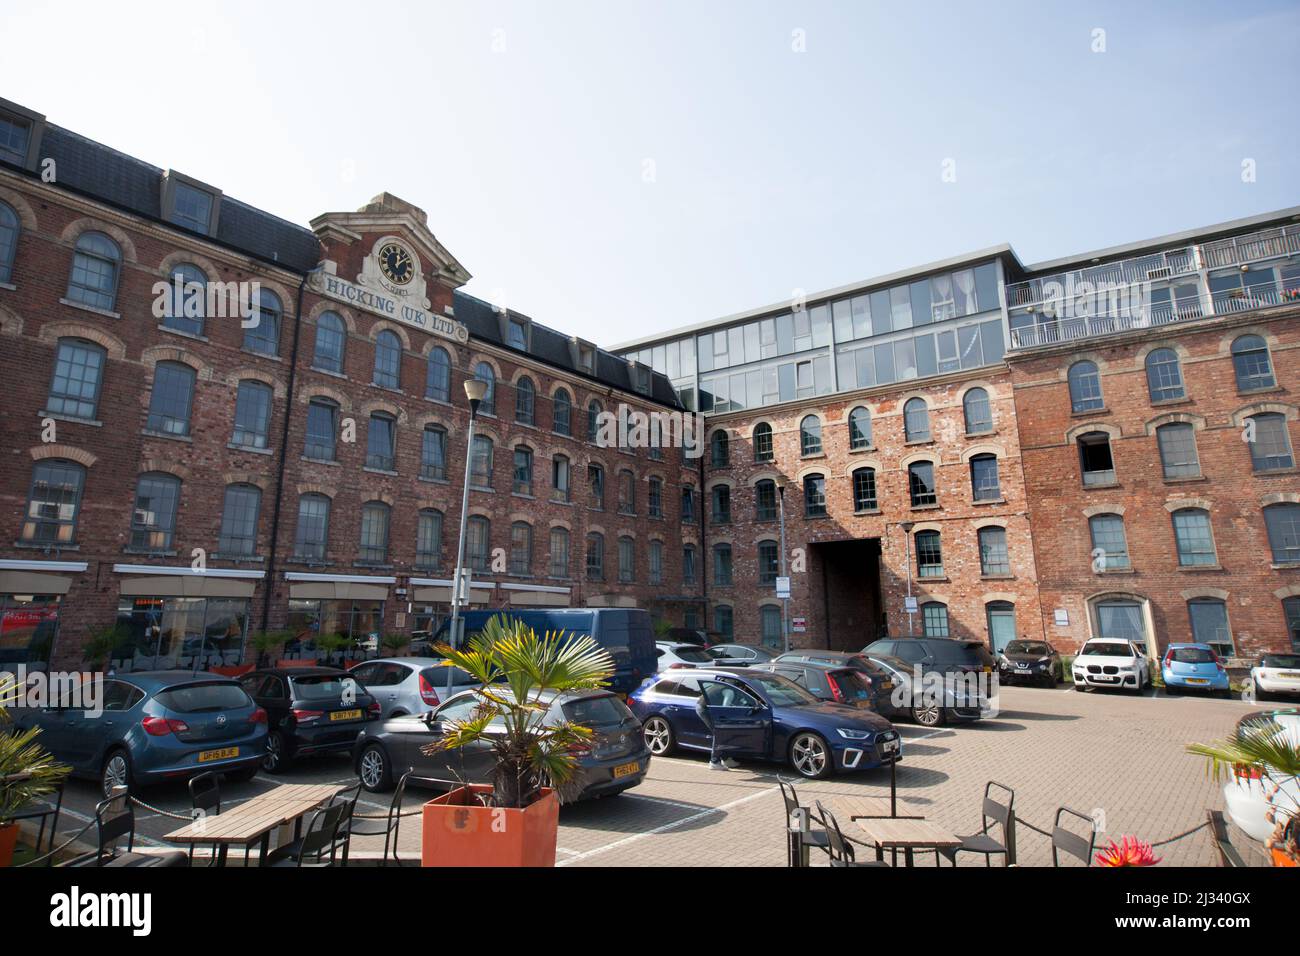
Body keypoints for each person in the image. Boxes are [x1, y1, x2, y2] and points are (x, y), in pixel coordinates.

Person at [695, 686, 739, 771]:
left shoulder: (726, 686)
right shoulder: (730, 692)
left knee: (722, 733)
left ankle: (726, 759)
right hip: (704, 708)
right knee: (719, 733)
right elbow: (724, 708)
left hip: (703, 705)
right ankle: (714, 762)